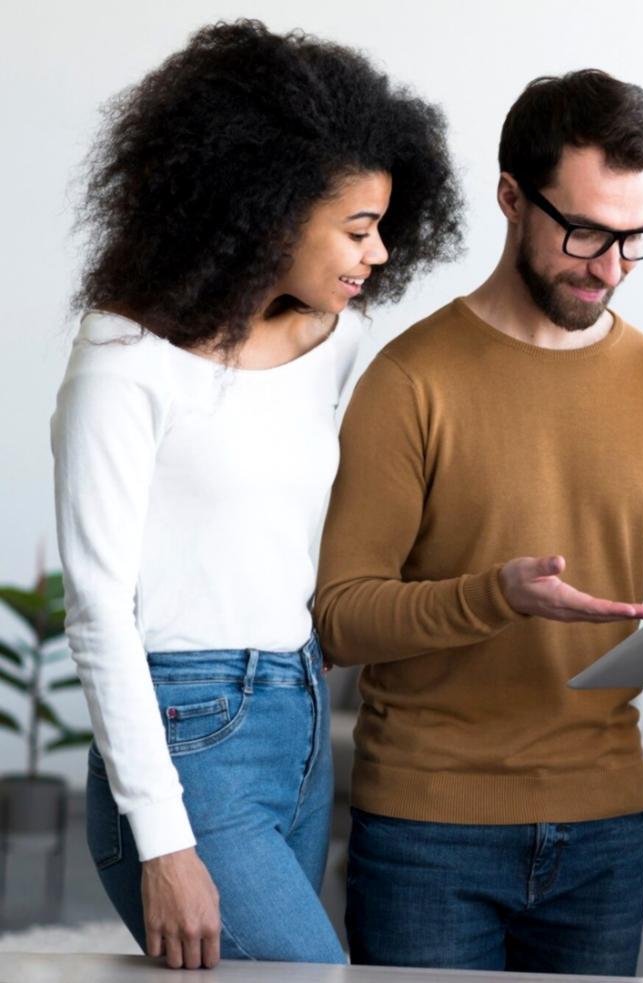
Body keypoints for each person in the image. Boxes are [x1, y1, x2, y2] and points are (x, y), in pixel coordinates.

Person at [312, 68, 643, 976]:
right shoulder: (410, 380)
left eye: (635, 237)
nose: (610, 267)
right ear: (509, 197)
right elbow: (342, 612)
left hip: (605, 825)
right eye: (584, 232)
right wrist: (493, 595)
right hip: (429, 827)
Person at [52, 20, 462, 969]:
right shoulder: (122, 362)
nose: (381, 254)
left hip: (303, 706)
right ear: (266, 209)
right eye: (358, 229)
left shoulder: (337, 343)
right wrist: (163, 839)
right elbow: (98, 611)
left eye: (385, 227)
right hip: (189, 728)